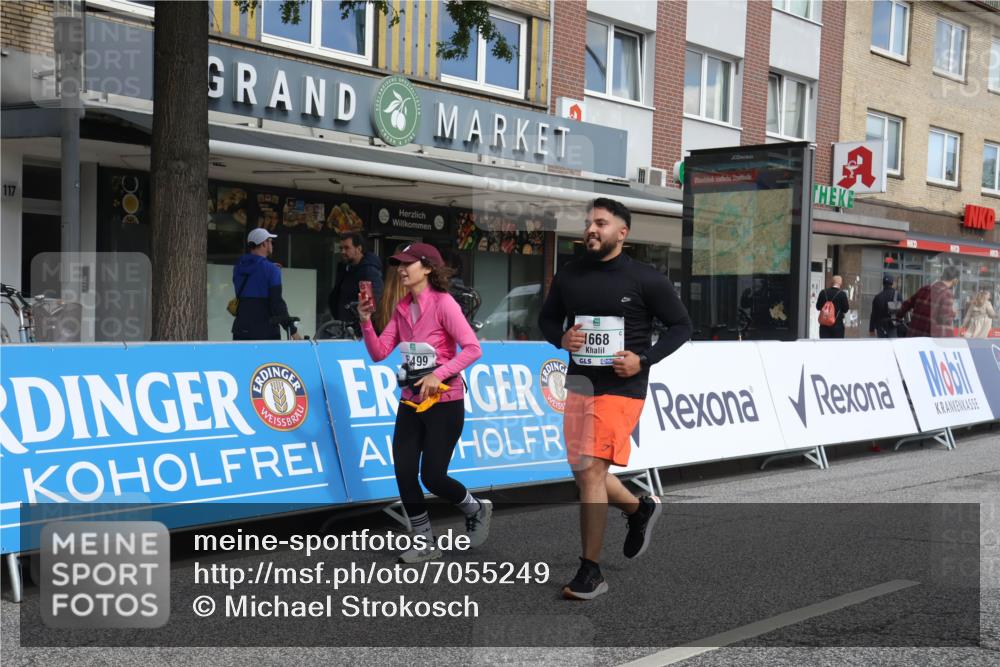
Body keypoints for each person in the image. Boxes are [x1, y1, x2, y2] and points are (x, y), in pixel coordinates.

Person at [538, 198, 692, 600]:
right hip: (579, 383)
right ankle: (639, 509)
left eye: (601, 223)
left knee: (591, 470)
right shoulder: (569, 275)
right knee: (583, 471)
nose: (591, 229)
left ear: (622, 233)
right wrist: (560, 338)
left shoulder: (645, 279)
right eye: (589, 223)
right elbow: (547, 319)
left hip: (623, 388)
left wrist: (644, 360)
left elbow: (681, 326)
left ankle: (591, 571)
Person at [357, 242, 491, 563]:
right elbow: (378, 353)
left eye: (408, 264)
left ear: (428, 268)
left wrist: (438, 374)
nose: (401, 270)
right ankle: (425, 543)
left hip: (444, 402)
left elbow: (473, 348)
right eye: (399, 264)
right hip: (410, 402)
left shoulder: (444, 304)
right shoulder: (402, 308)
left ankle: (475, 508)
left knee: (433, 476)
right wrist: (365, 320)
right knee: (404, 471)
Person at [232, 228, 301, 340]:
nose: (272, 245)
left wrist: (268, 267)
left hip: (241, 330)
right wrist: (293, 331)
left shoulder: (238, 268)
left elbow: (254, 276)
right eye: (271, 241)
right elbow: (277, 304)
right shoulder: (272, 270)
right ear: (264, 243)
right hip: (265, 332)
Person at [329, 232, 383, 328]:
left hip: (359, 330)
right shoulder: (345, 268)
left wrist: (360, 326)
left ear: (358, 249)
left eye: (347, 248)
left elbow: (372, 303)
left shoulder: (368, 271)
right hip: (344, 326)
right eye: (341, 248)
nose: (343, 252)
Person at [898, 265, 959, 337]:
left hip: (912, 336)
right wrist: (953, 313)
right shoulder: (947, 294)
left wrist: (898, 316)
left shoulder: (924, 289)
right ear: (955, 280)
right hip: (928, 340)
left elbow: (906, 304)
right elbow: (945, 320)